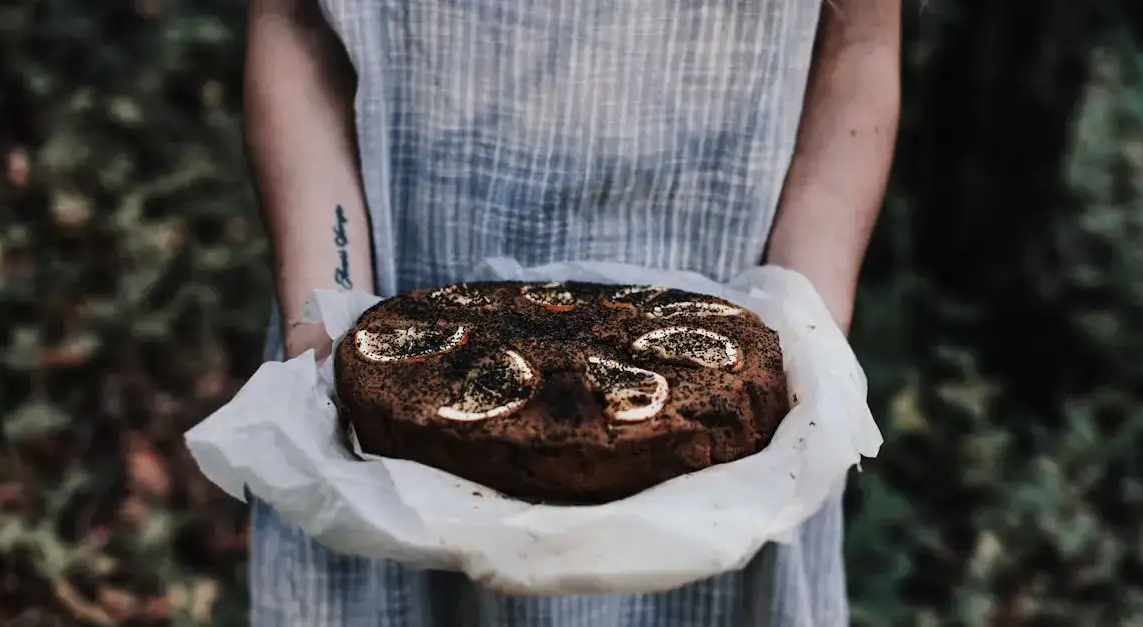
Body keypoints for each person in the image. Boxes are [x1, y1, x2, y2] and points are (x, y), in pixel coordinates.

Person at [243, 0, 899, 624]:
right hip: (384, 427)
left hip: (733, 463)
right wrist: (324, 327)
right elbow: (296, 19)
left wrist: (803, 327)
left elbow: (862, 40)